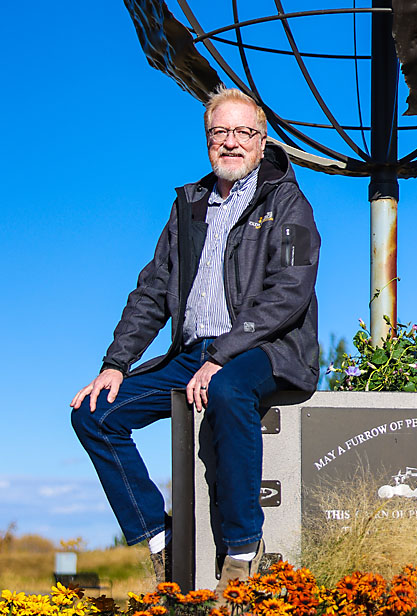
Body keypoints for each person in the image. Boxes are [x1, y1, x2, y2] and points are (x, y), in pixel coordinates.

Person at [70, 87, 320, 589]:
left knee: (228, 388)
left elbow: (289, 292)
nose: (231, 142)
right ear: (208, 141)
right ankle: (159, 539)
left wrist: (222, 356)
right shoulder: (188, 206)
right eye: (219, 132)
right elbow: (153, 291)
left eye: (243, 132)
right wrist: (115, 364)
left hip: (267, 349)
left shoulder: (287, 202)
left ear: (262, 140)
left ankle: (243, 548)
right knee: (94, 414)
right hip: (193, 353)